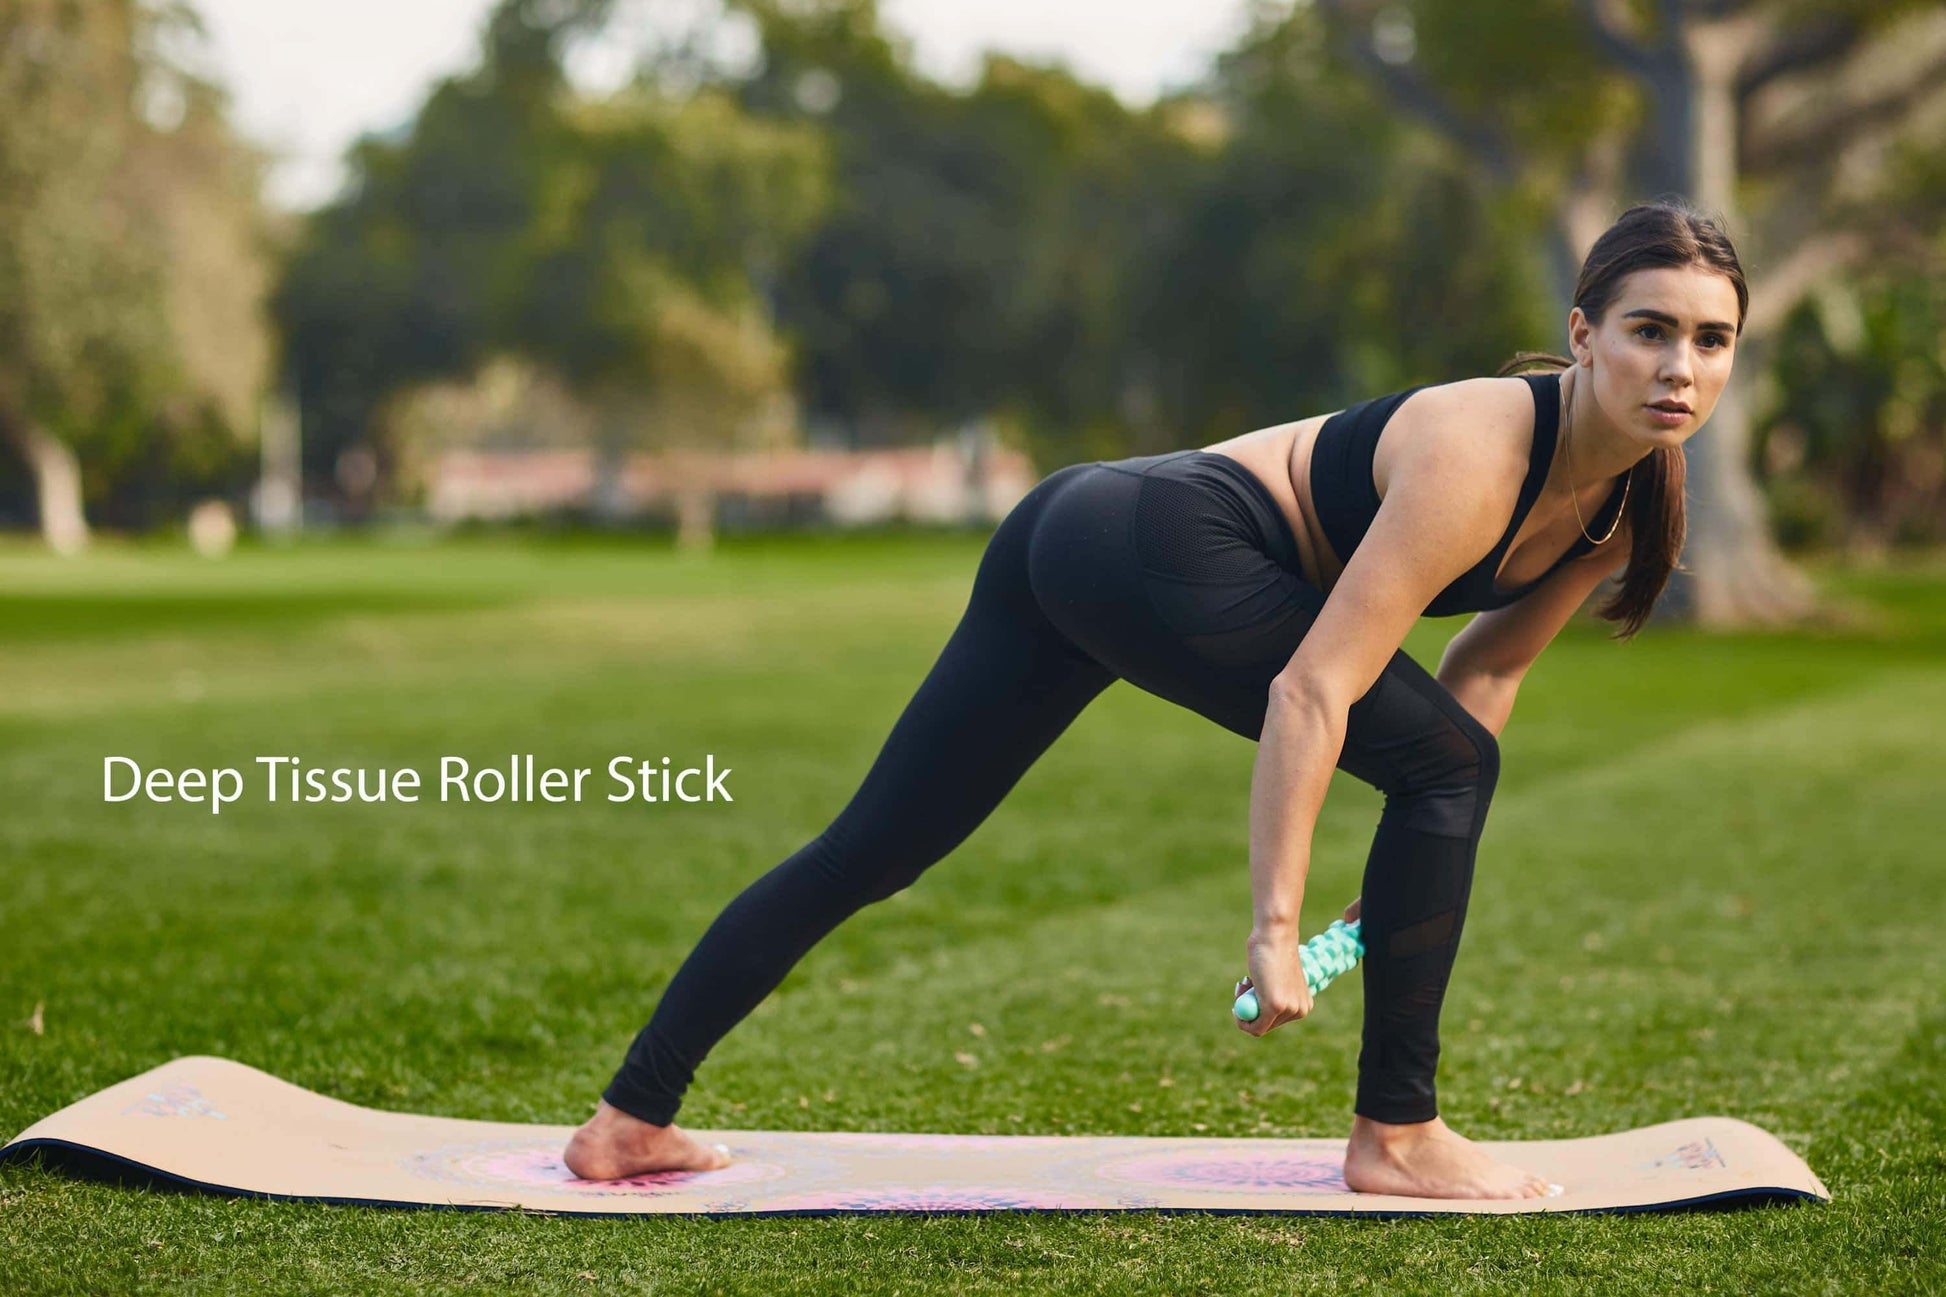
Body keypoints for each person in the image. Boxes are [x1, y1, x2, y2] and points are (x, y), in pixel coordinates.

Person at [564, 201, 1746, 1199]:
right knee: (1439, 767)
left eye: (1709, 340)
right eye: (1649, 331)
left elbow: (1480, 677)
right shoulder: (1479, 448)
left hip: (1081, 529)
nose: (1678, 367)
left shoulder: (1629, 503)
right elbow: (1312, 688)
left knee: (874, 850)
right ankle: (1395, 1136)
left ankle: (627, 1121)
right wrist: (1276, 932)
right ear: (1582, 333)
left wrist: (1411, 855)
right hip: (1159, 538)